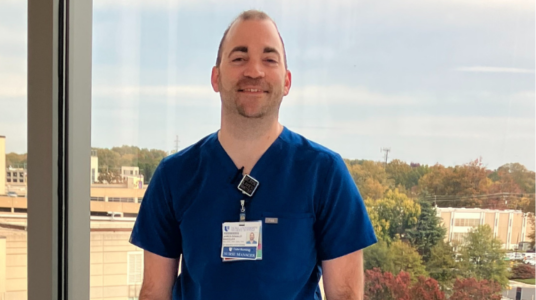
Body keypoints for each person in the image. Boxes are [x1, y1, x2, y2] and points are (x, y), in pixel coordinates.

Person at [130, 9, 377, 300]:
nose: (254, 71)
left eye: (269, 59)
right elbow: (153, 292)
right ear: (216, 77)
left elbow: (345, 295)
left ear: (286, 81)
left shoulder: (324, 174)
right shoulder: (174, 176)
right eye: (239, 58)